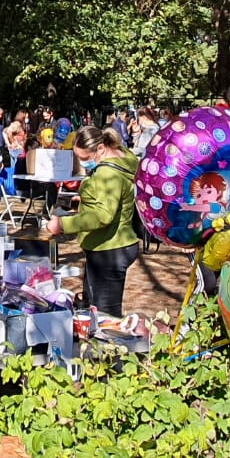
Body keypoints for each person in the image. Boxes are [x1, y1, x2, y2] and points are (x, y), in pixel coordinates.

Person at [45, 126, 140, 317]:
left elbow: (103, 215)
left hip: (109, 249)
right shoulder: (123, 158)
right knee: (94, 309)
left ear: (101, 149)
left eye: (85, 158)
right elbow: (113, 200)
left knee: (105, 315)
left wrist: (63, 225)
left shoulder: (107, 173)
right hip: (112, 245)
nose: (83, 162)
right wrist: (84, 202)